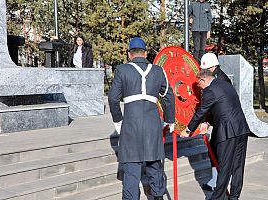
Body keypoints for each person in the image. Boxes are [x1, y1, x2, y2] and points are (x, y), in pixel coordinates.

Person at [108, 37, 175, 200]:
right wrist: (169, 119)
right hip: (152, 125)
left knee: (131, 169)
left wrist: (118, 120)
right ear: (145, 53)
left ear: (130, 54)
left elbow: (112, 98)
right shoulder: (158, 71)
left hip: (131, 125)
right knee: (154, 165)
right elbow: (169, 97)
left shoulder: (122, 70)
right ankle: (158, 196)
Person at [180, 69, 252, 200]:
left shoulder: (210, 90)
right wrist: (208, 122)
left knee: (224, 167)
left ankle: (217, 198)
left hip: (228, 132)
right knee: (238, 167)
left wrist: (188, 129)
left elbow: (201, 111)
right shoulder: (225, 84)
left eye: (198, 84)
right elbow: (222, 108)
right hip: (241, 129)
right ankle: (234, 197)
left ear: (203, 80)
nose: (199, 87)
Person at [199, 52, 231, 192]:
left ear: (211, 67)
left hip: (223, 122)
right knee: (214, 149)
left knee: (219, 152)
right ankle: (215, 180)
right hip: (221, 120)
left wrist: (205, 120)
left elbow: (212, 103)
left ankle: (221, 183)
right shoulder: (220, 76)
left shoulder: (218, 79)